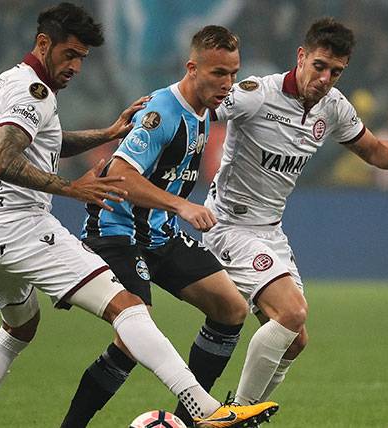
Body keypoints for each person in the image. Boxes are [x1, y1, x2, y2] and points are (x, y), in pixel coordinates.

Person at [0, 4, 277, 428]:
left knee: (19, 330)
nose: (76, 67)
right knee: (128, 311)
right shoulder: (34, 92)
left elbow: (43, 143)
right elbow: (1, 160)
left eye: (82, 58)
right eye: (70, 55)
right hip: (25, 228)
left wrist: (104, 134)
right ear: (43, 44)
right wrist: (72, 188)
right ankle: (207, 410)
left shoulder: (9, 83)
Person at [201, 17, 388, 407]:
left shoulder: (334, 107)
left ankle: (241, 412)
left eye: (336, 71)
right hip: (229, 225)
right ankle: (237, 413)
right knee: (291, 314)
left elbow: (375, 152)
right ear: (301, 56)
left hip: (270, 230)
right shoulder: (258, 94)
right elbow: (197, 109)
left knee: (295, 341)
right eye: (319, 66)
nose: (325, 78)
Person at [60, 25, 269, 428]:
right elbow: (119, 174)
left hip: (159, 235)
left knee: (230, 308)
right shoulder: (164, 113)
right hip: (117, 232)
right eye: (218, 74)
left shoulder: (204, 109)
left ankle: (193, 421)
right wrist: (181, 206)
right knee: (134, 336)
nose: (227, 84)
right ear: (192, 68)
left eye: (233, 73)